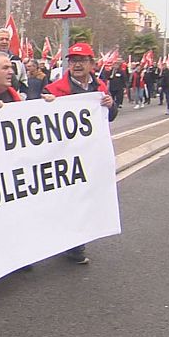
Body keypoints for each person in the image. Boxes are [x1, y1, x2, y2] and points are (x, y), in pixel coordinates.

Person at [43, 42, 116, 264]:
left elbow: (110, 117)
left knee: (84, 198)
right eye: (73, 60)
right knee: (66, 199)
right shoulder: (54, 90)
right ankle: (66, 242)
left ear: (92, 64)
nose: (76, 65)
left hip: (90, 156)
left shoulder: (100, 87)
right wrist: (47, 105)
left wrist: (110, 104)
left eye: (82, 60)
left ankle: (75, 244)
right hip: (63, 156)